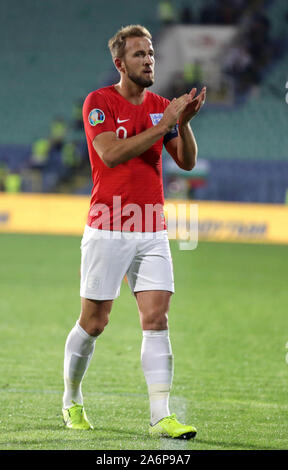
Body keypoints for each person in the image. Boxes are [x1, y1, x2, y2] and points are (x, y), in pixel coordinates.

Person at [62, 24, 206, 439]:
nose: (149, 60)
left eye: (151, 53)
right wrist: (165, 126)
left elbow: (187, 161)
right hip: (108, 226)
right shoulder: (99, 102)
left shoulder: (162, 105)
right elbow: (109, 154)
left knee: (157, 318)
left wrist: (185, 123)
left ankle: (161, 415)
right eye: (140, 54)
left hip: (151, 227)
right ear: (119, 63)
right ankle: (72, 399)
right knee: (94, 322)